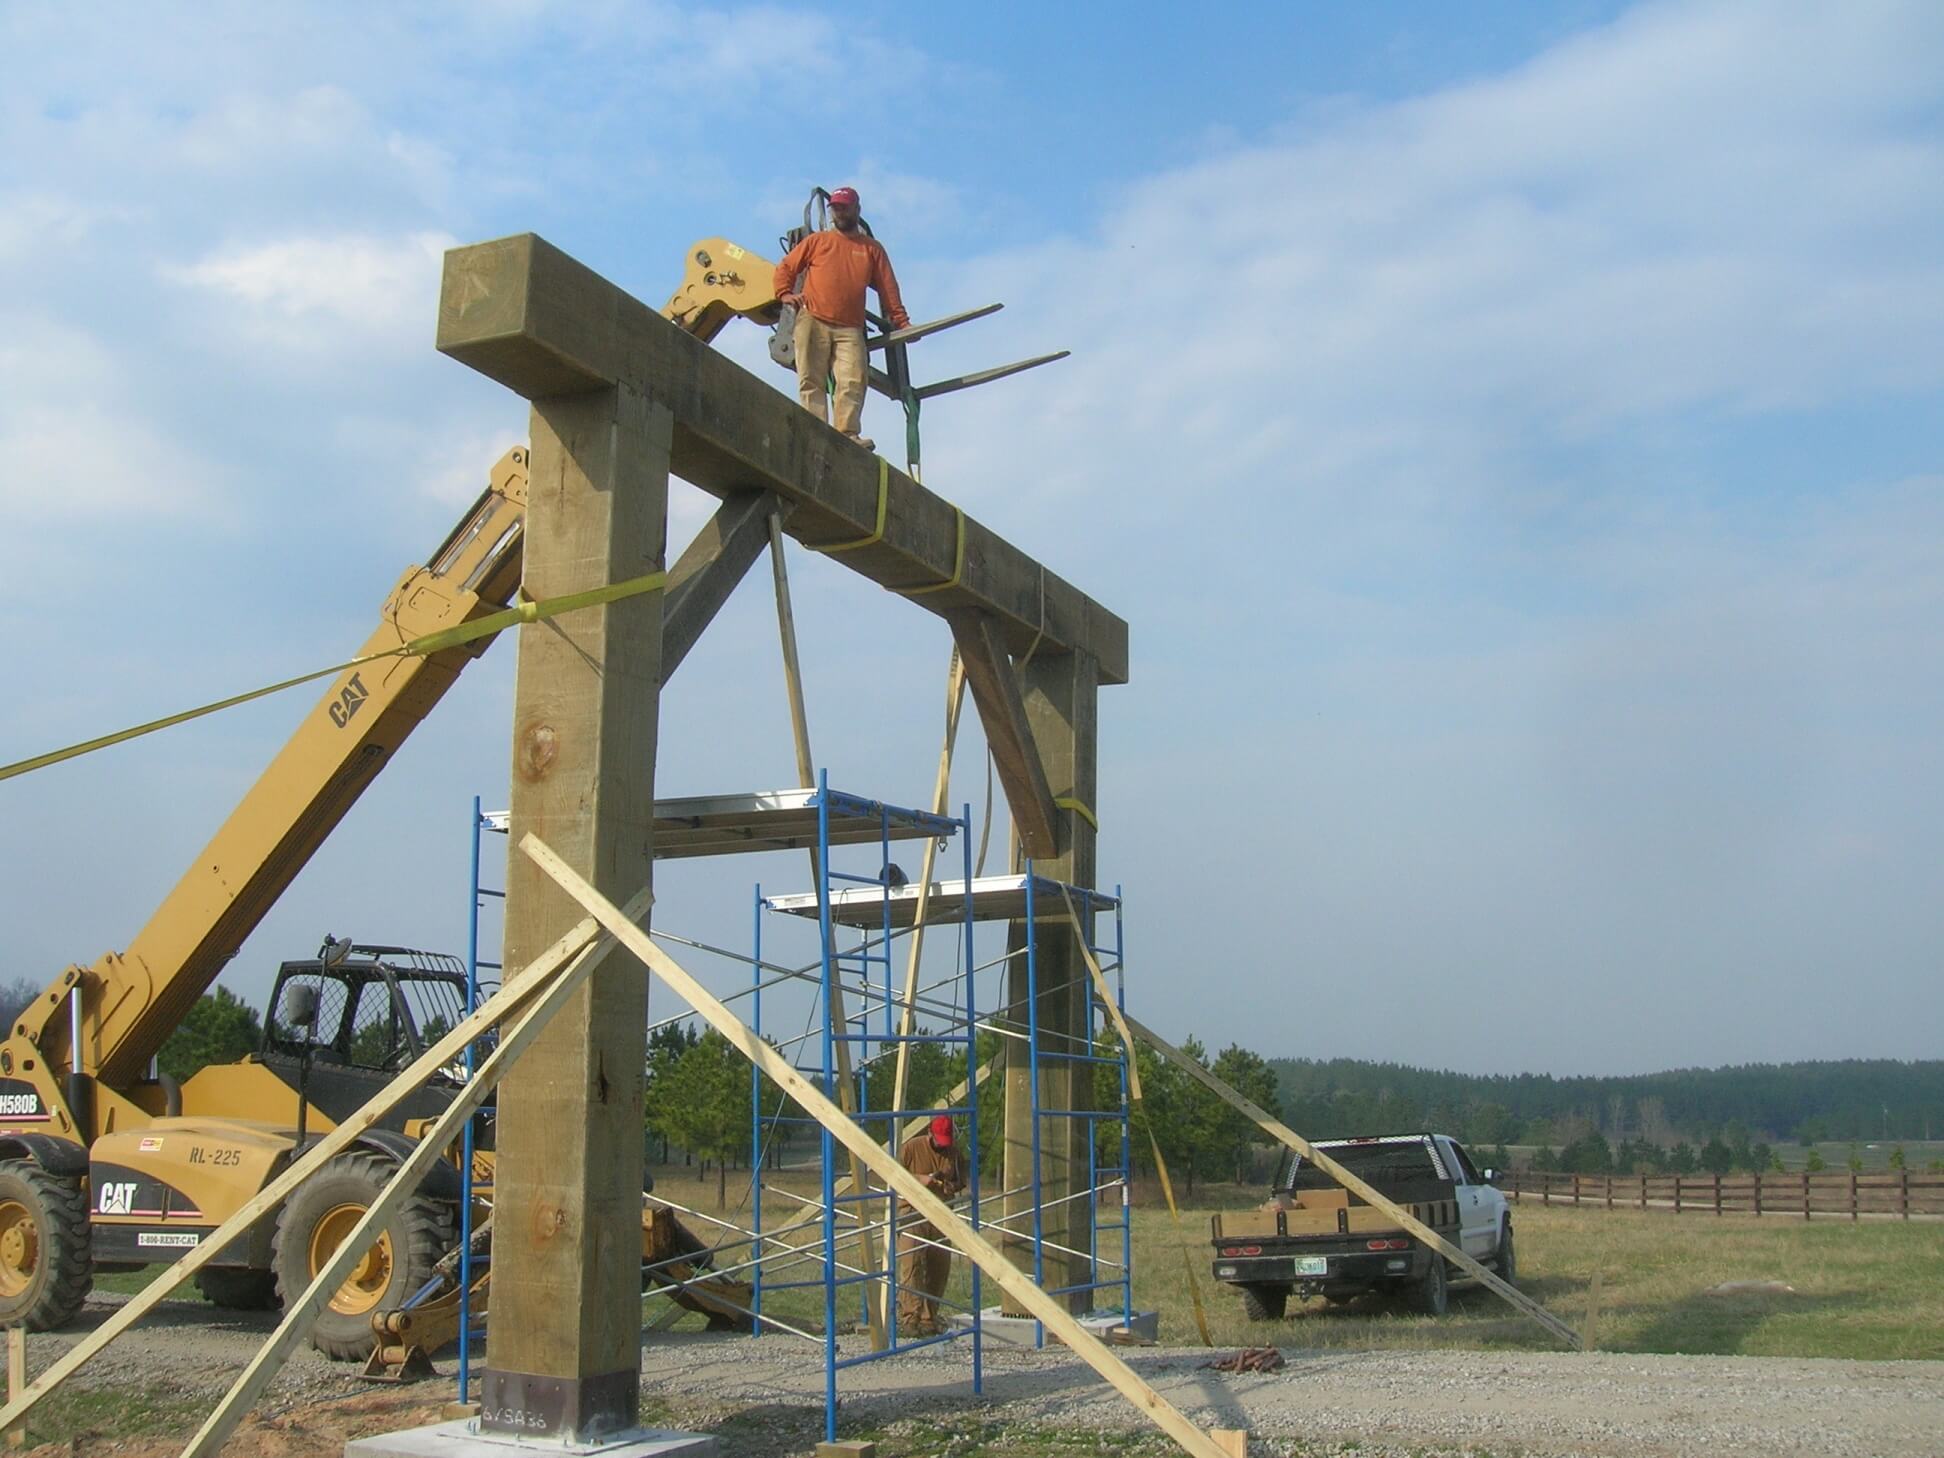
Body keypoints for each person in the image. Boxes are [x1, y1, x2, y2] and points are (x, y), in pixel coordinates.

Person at [772, 186, 911, 452]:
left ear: (857, 209)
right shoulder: (818, 241)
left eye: (844, 207)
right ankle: (814, 430)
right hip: (813, 319)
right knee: (810, 378)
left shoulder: (871, 249)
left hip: (850, 327)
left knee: (853, 380)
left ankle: (847, 433)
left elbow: (888, 288)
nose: (839, 212)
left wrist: (901, 321)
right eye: (835, 208)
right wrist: (785, 293)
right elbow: (787, 266)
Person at [895, 1113, 966, 1335]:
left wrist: (951, 1186)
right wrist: (921, 1179)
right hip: (912, 1212)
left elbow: (961, 1180)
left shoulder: (954, 1153)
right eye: (939, 1141)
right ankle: (910, 1318)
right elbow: (893, 1174)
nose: (943, 1146)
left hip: (941, 1214)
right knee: (912, 1265)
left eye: (946, 1142)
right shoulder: (910, 1148)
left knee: (939, 1267)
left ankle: (929, 1318)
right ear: (929, 1133)